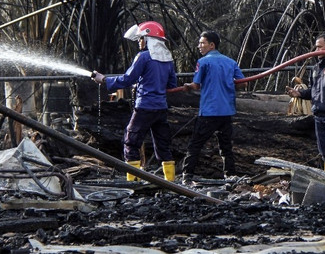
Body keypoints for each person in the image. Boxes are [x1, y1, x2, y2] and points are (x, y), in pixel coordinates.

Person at [92, 21, 178, 182]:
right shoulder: (168, 59)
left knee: (131, 141)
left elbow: (127, 78)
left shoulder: (143, 57)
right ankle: (171, 183)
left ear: (148, 39)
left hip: (144, 107)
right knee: (163, 145)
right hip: (160, 108)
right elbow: (172, 84)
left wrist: (104, 80)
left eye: (141, 39)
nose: (139, 42)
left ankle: (132, 181)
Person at [179, 31, 245, 183]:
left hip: (209, 111)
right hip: (226, 110)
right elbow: (243, 83)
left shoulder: (203, 62)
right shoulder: (230, 62)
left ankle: (187, 175)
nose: (199, 46)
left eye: (202, 43)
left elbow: (195, 85)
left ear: (211, 45)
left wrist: (188, 86)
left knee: (195, 143)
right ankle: (230, 174)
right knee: (226, 145)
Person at [285, 33, 325, 175]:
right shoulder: (315, 69)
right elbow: (315, 91)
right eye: (316, 47)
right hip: (319, 114)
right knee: (324, 152)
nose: (316, 50)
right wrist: (300, 94)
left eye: (320, 47)